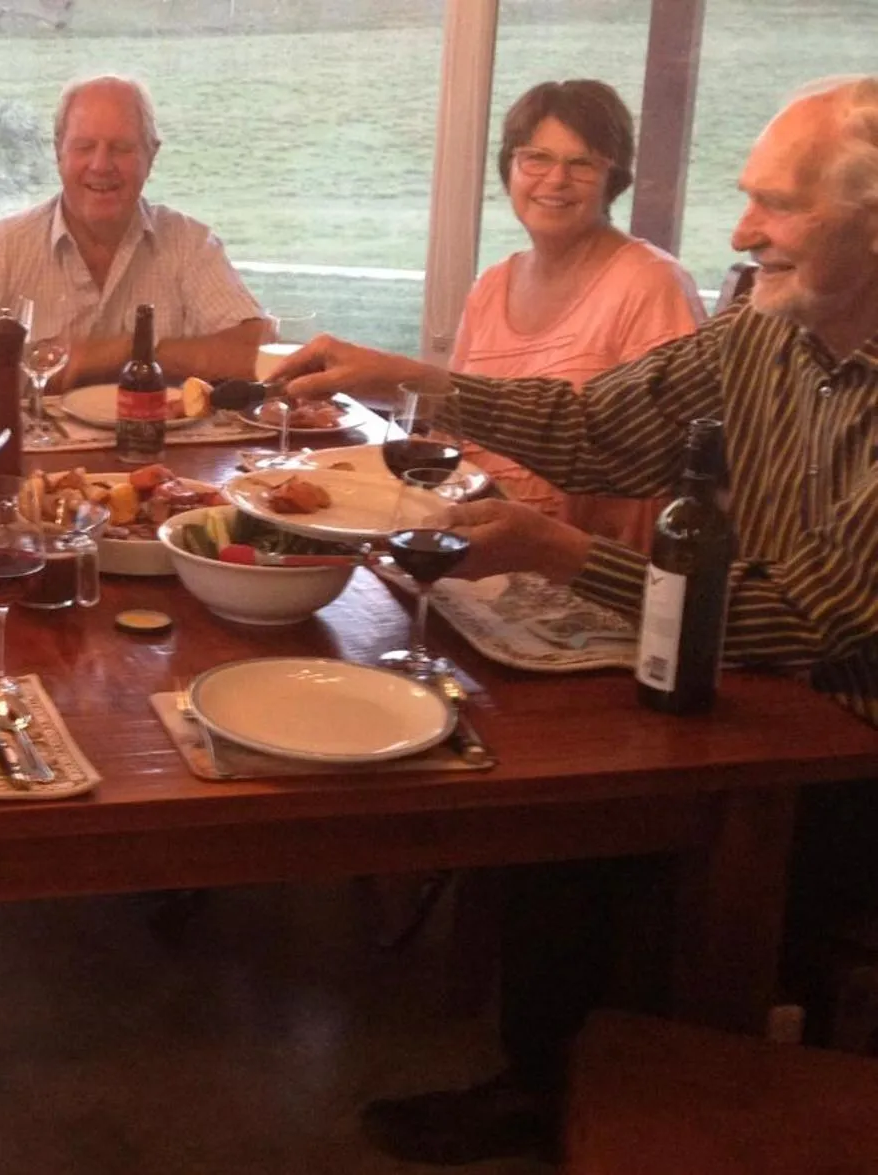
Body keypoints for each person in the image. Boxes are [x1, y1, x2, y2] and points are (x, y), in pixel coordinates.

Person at [274, 74, 878, 1165]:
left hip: (850, 738)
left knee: (621, 828)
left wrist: (560, 552)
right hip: (755, 676)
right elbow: (601, 428)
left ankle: (695, 1103)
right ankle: (556, 1081)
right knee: (565, 781)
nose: (741, 230)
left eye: (777, 205)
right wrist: (419, 379)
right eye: (748, 197)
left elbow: (809, 621)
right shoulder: (769, 332)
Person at [0, 74, 267, 411]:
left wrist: (128, 351)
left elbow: (257, 355)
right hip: (28, 457)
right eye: (84, 146)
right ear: (59, 152)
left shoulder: (190, 243)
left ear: (151, 155)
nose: (101, 165)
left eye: (121, 147)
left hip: (161, 457)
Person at [453, 79, 705, 551]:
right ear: (510, 167)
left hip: (582, 566)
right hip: (477, 545)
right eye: (536, 158)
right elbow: (454, 431)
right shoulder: (491, 285)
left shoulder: (651, 283)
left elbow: (667, 466)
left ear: (614, 179)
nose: (556, 180)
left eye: (582, 164)